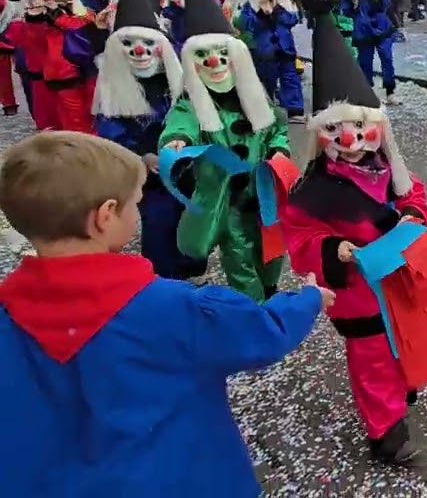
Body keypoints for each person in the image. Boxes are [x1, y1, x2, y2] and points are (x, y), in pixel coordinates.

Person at [0, 130, 331, 496]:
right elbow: (262, 332)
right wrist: (307, 300)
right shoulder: (175, 309)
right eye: (134, 203)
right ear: (105, 217)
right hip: (179, 478)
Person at [282, 0, 427, 466]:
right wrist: (332, 249)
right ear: (323, 135)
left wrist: (414, 213)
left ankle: (405, 385)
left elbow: (412, 194)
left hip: (399, 279)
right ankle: (384, 430)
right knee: (373, 357)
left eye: (358, 127)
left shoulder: (389, 167)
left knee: (403, 342)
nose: (350, 138)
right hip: (357, 289)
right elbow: (300, 234)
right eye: (336, 130)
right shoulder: (312, 187)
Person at [160, 0, 291, 302]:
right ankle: (253, 308)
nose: (214, 63)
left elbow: (278, 127)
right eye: (203, 56)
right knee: (238, 256)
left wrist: (280, 149)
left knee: (272, 250)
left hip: (263, 192)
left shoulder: (256, 98)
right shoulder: (192, 103)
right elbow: (180, 123)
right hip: (226, 197)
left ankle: (269, 289)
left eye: (221, 55)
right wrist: (176, 142)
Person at [91, 0, 202, 282]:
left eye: (148, 44)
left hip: (188, 164)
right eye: (128, 45)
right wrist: (141, 156)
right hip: (150, 174)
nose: (140, 52)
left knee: (193, 216)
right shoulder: (114, 89)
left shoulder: (178, 74)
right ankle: (163, 277)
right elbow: (110, 132)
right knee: (159, 223)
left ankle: (193, 268)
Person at [15, 0, 101, 133]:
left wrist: (60, 17)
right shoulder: (32, 20)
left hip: (88, 78)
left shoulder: (85, 13)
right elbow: (32, 53)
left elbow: (86, 36)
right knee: (66, 127)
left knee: (91, 123)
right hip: (58, 83)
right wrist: (37, 20)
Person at [341, 0, 400, 106]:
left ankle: (390, 91)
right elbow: (345, 11)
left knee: (387, 59)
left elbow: (385, 5)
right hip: (363, 31)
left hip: (382, 29)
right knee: (365, 63)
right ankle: (367, 93)